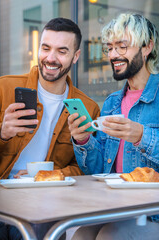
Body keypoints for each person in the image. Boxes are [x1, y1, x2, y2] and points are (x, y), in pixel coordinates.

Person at [0, 18, 100, 240]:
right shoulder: (2, 88)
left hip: (43, 207)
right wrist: (2, 133)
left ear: (75, 57)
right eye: (45, 48)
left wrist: (51, 175)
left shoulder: (89, 109)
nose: (51, 58)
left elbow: (85, 170)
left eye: (62, 51)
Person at [68, 13, 159, 240]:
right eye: (109, 48)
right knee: (78, 235)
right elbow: (97, 169)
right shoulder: (111, 103)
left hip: (150, 213)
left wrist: (142, 136)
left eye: (122, 46)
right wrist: (83, 140)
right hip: (114, 208)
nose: (113, 55)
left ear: (147, 47)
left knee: (110, 236)